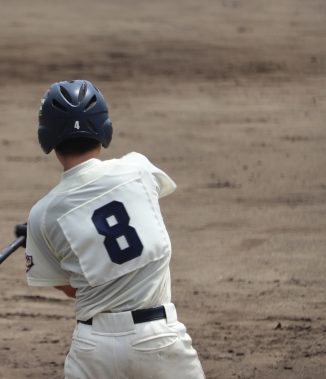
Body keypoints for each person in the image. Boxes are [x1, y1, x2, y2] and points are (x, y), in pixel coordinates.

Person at [24, 80, 205, 379]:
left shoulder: (42, 216)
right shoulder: (139, 169)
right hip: (158, 341)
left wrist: (33, 239)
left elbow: (72, 288)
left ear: (47, 138)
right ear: (104, 129)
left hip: (92, 351)